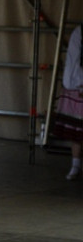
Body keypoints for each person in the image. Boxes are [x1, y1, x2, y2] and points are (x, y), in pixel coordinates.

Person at [52, 24, 83, 180]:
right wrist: (74, 82)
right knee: (78, 131)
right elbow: (73, 59)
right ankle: (75, 165)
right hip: (79, 86)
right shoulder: (80, 32)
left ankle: (76, 165)